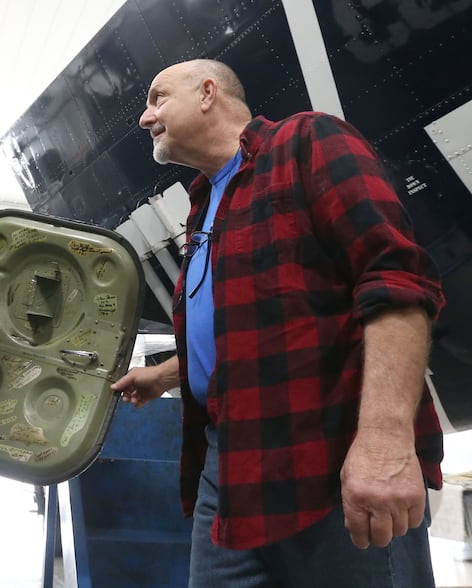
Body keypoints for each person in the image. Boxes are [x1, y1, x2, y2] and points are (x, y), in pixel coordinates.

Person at [111, 59, 445, 587]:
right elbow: (257, 325)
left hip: (329, 457)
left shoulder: (307, 141)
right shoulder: (204, 204)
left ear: (207, 92)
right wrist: (166, 375)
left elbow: (394, 279)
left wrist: (383, 441)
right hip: (227, 464)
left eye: (158, 98)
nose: (144, 117)